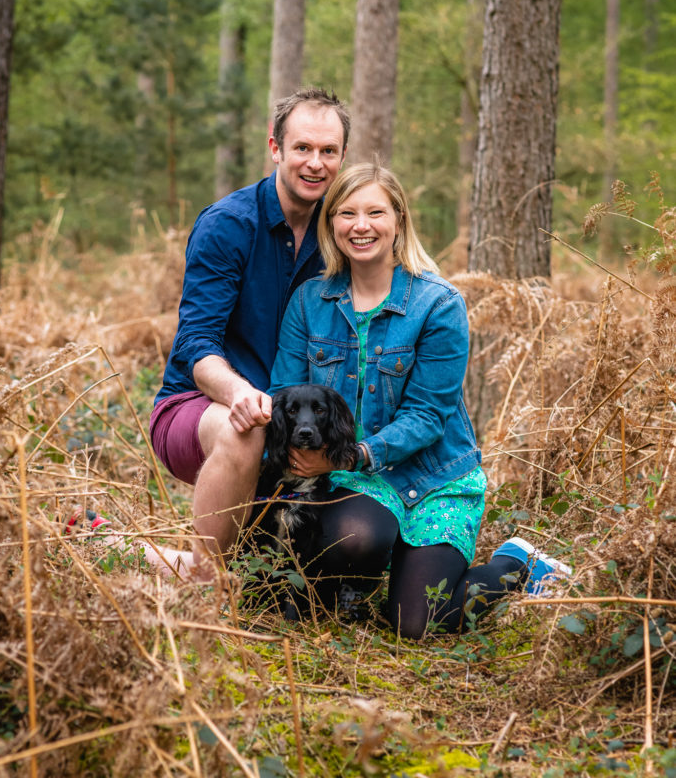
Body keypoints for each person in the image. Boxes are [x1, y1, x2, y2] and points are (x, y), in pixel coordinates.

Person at [269, 162, 571, 639]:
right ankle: (362, 574)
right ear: (331, 226)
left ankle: (517, 564)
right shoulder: (309, 301)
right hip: (355, 477)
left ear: (399, 220)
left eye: (375, 212)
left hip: (433, 477)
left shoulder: (438, 303)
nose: (361, 226)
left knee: (418, 622)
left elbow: (429, 415)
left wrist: (353, 454)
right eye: (346, 213)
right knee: (354, 537)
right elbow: (283, 393)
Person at [148, 87, 350, 578]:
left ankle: (113, 544)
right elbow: (197, 345)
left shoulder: (343, 231)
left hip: (297, 420)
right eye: (302, 148)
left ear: (342, 157)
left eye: (329, 151)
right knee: (248, 429)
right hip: (197, 408)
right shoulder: (229, 225)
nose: (315, 164)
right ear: (275, 148)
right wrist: (240, 393)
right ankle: (210, 594)